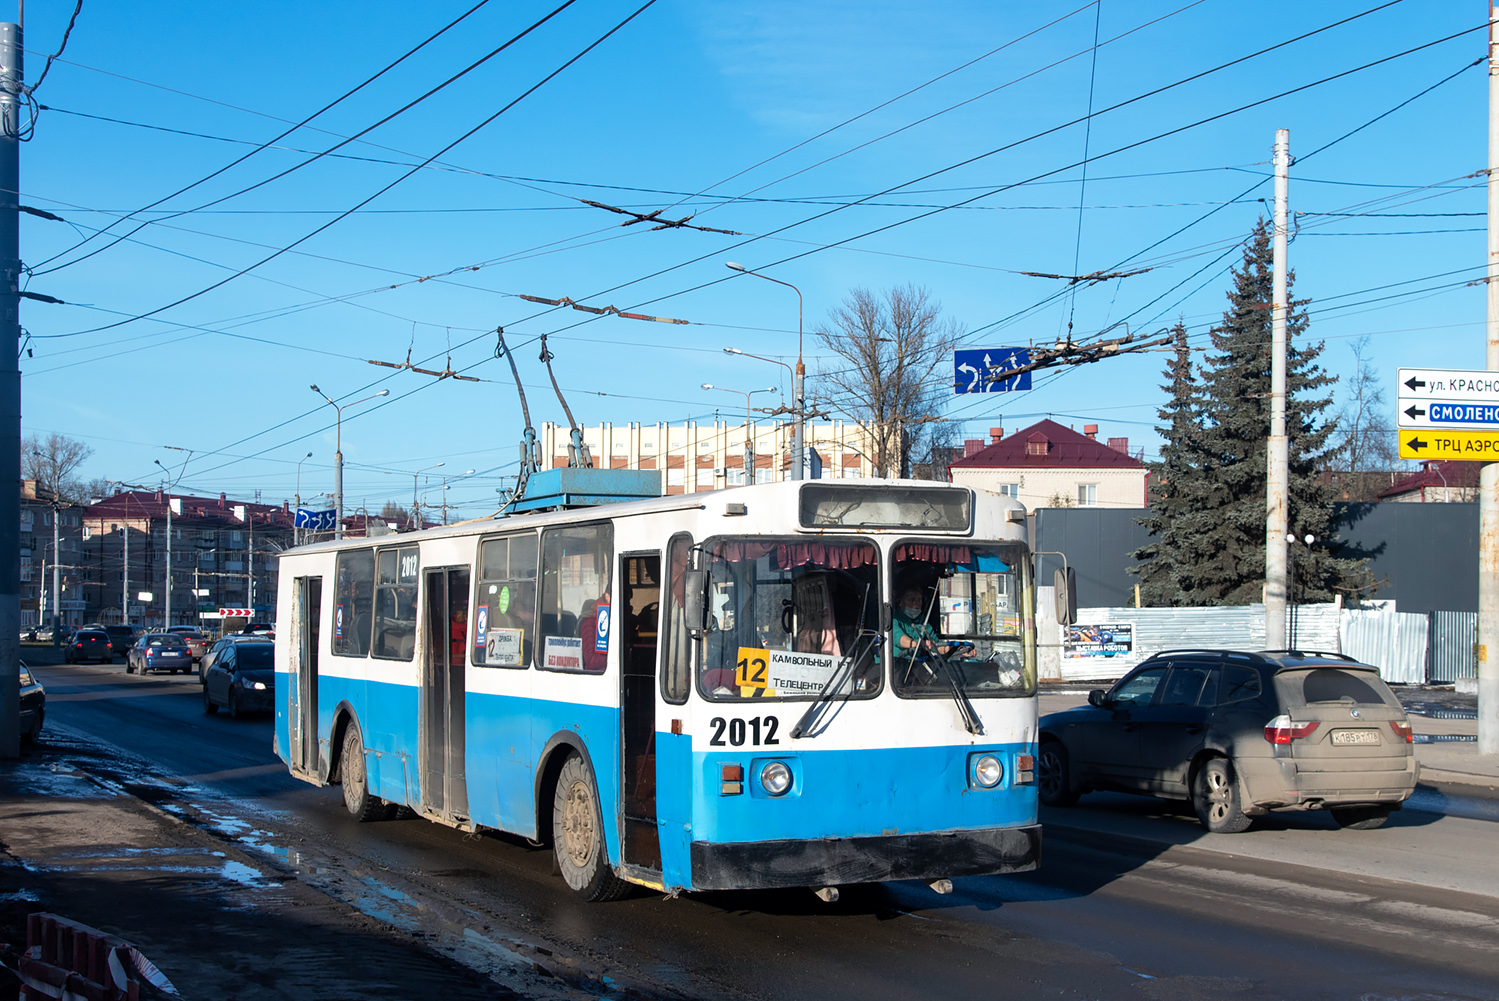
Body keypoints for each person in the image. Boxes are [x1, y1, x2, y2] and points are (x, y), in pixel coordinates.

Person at [892, 588, 970, 661]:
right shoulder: (894, 619)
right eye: (911, 599)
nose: (917, 603)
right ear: (900, 602)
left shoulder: (922, 621)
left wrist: (958, 650)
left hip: (916, 665)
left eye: (919, 599)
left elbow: (936, 646)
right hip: (895, 665)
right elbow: (899, 639)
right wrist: (919, 644)